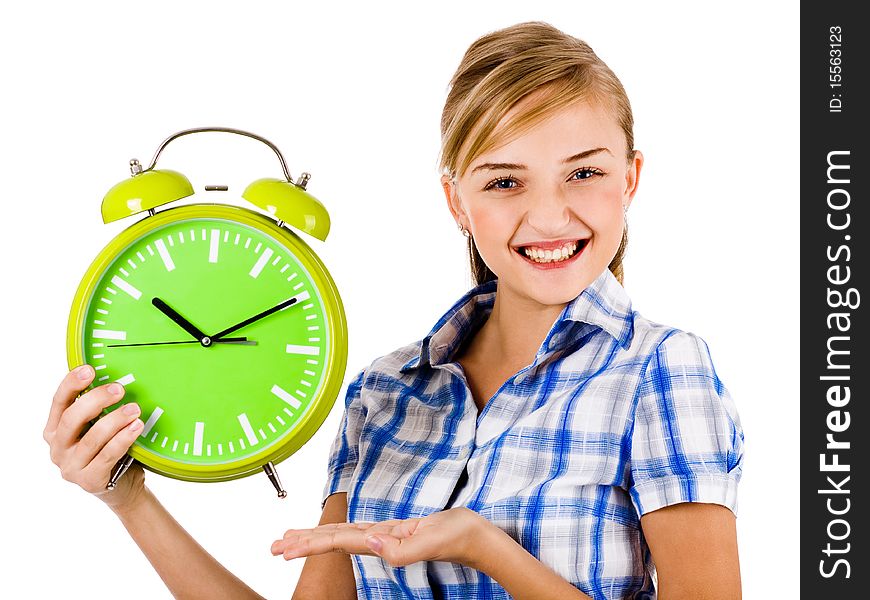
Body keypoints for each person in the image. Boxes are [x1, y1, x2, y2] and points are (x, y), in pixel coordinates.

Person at [45, 21, 743, 600]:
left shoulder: (661, 371)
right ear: (456, 202)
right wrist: (128, 497)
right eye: (504, 180)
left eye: (584, 172)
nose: (549, 215)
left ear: (631, 179)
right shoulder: (384, 395)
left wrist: (485, 548)